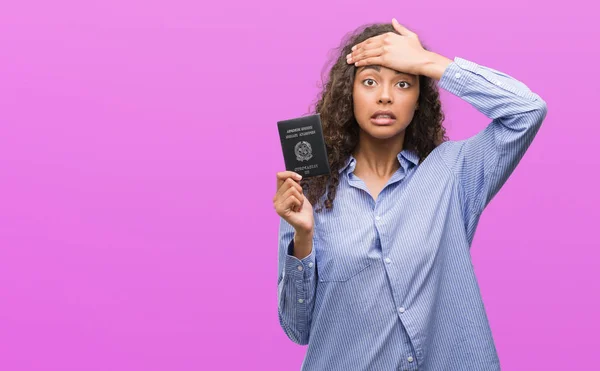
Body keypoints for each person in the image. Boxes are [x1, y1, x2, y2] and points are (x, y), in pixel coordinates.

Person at [272, 19, 547, 371]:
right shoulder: (311, 192)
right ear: (349, 95)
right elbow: (297, 330)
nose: (385, 96)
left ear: (419, 100)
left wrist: (429, 62)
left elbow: (527, 111)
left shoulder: (452, 172)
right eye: (370, 81)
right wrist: (303, 236)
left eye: (403, 83)